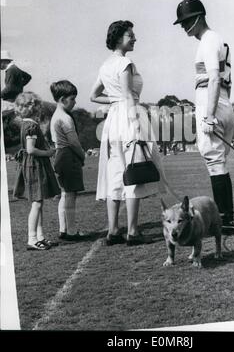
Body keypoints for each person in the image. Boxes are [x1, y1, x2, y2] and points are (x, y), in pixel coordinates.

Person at [90, 20, 168, 246]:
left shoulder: (105, 65)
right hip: (128, 117)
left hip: (113, 119)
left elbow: (94, 95)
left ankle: (113, 231)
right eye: (130, 36)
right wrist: (135, 125)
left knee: (116, 172)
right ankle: (132, 231)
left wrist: (114, 101)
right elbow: (126, 94)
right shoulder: (125, 62)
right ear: (118, 39)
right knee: (134, 168)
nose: (134, 38)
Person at [173, 0, 234, 232]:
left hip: (212, 104)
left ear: (198, 17)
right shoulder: (216, 40)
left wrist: (209, 115)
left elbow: (214, 78)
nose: (183, 27)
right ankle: (226, 218)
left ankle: (225, 220)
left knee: (215, 162)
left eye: (185, 21)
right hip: (224, 102)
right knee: (218, 161)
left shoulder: (209, 41)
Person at [13, 92, 60, 250]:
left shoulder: (25, 124)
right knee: (37, 203)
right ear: (35, 108)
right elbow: (31, 149)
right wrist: (48, 153)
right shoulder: (32, 126)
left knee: (38, 203)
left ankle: (40, 236)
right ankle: (32, 239)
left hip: (33, 165)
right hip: (34, 166)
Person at [50, 80, 89, 241]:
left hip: (60, 155)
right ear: (62, 99)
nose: (74, 102)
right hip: (68, 155)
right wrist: (82, 155)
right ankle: (71, 231)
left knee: (65, 194)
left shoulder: (56, 115)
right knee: (70, 195)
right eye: (72, 99)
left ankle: (63, 229)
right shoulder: (65, 117)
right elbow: (73, 142)